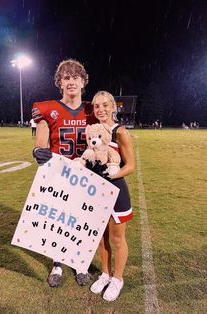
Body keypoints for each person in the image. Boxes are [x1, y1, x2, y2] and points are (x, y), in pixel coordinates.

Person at [31, 58, 96, 288]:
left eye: (75, 77)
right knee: (59, 220)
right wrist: (39, 149)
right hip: (59, 174)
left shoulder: (91, 109)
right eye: (66, 78)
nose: (71, 82)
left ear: (83, 81)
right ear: (60, 82)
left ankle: (79, 261)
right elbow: (42, 132)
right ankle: (57, 263)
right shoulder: (49, 109)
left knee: (82, 220)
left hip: (88, 175)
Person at [89, 91, 135, 302]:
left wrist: (114, 173)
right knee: (100, 238)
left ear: (113, 107)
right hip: (97, 193)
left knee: (117, 239)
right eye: (97, 106)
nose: (101, 109)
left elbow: (131, 166)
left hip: (116, 192)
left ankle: (117, 279)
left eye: (105, 105)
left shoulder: (120, 132)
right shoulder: (93, 131)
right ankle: (105, 274)